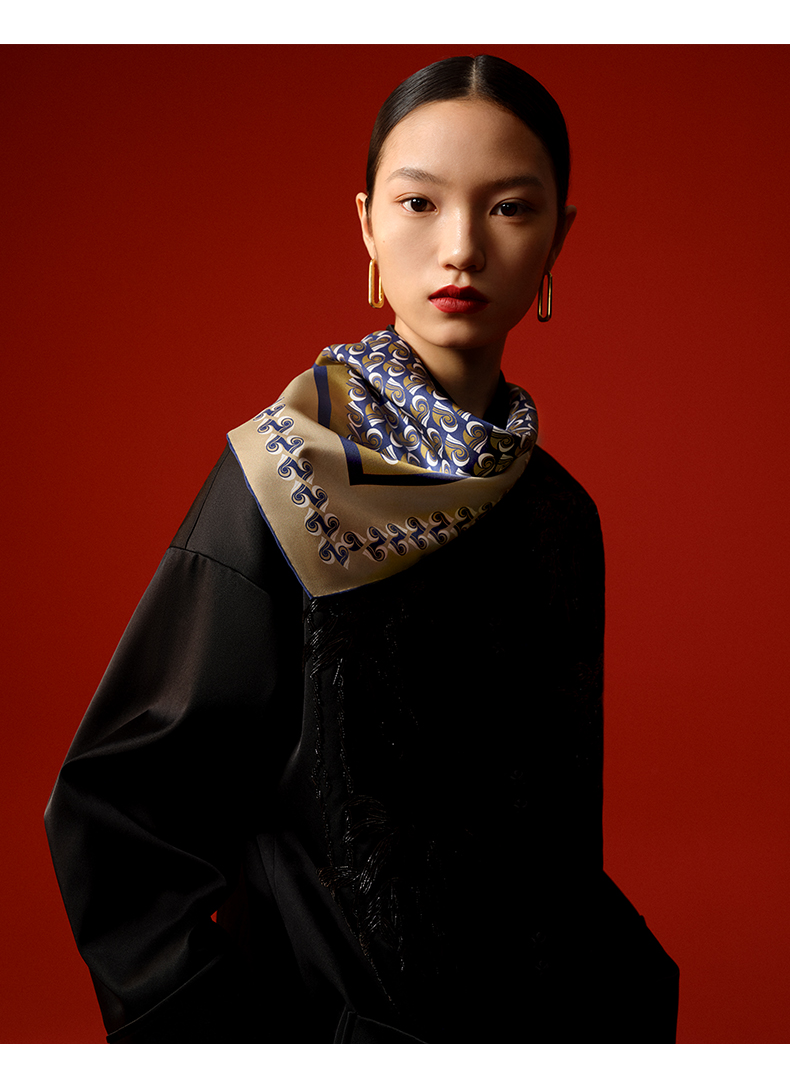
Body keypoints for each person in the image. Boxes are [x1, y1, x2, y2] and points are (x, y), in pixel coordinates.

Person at [45, 54, 679, 1043]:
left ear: (558, 236)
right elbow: (120, 812)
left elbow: (555, 841)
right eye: (419, 203)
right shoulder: (282, 476)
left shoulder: (558, 514)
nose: (460, 247)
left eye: (509, 208)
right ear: (368, 228)